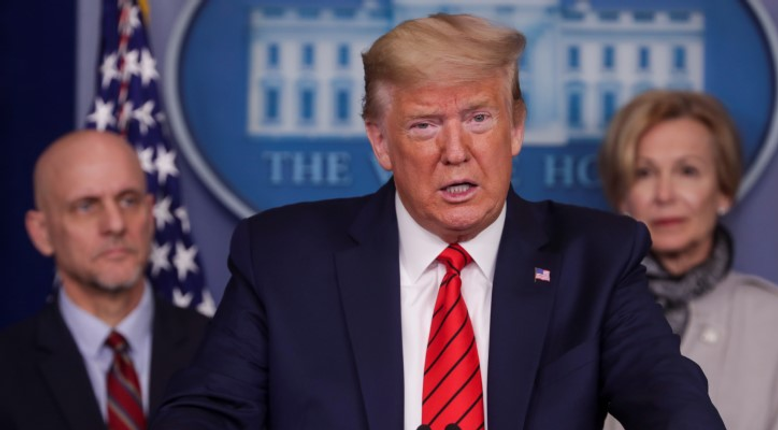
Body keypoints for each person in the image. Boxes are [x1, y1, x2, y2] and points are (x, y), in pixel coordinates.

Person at [153, 14, 725, 430]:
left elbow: (672, 405)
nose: (457, 151)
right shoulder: (282, 257)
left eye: (479, 118)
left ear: (516, 127)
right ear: (380, 141)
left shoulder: (595, 259)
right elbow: (206, 414)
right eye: (425, 126)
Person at [599, 89, 778, 430]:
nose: (665, 194)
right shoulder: (580, 314)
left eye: (687, 171)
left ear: (724, 190)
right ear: (622, 195)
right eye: (644, 173)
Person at [0, 130, 209, 430]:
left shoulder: (217, 350)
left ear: (150, 214)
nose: (115, 224)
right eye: (86, 206)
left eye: (128, 200)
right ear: (42, 232)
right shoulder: (7, 369)